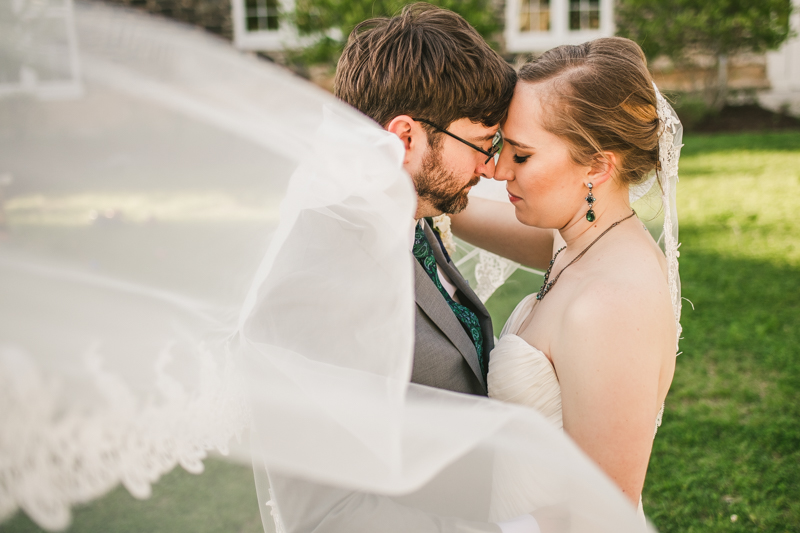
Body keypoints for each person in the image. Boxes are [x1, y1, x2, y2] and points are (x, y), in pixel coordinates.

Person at [264, 4, 531, 533]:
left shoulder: (407, 211)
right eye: (480, 145)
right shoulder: (316, 280)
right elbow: (325, 516)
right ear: (405, 137)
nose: (489, 167)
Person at [450, 37, 681, 519]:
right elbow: (457, 208)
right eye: (500, 148)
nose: (495, 169)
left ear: (597, 165)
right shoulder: (578, 241)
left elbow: (601, 513)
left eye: (521, 155)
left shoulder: (612, 303)